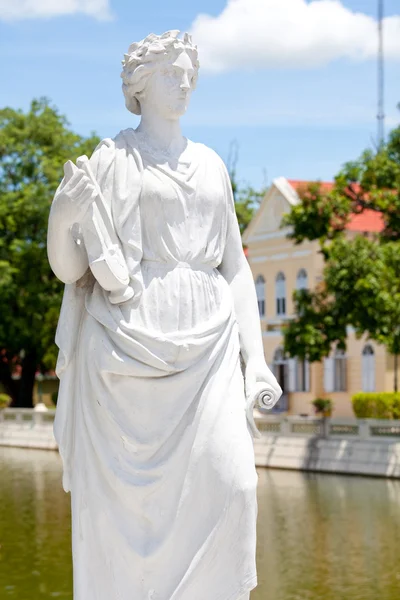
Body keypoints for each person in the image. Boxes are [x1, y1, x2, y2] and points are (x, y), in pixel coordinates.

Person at [47, 30, 282, 600]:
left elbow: (234, 266)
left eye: (188, 75)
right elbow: (69, 268)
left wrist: (257, 360)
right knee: (122, 518)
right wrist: (62, 213)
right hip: (125, 353)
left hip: (209, 350)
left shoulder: (210, 166)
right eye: (170, 75)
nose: (183, 85)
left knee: (235, 485)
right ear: (140, 85)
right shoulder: (111, 160)